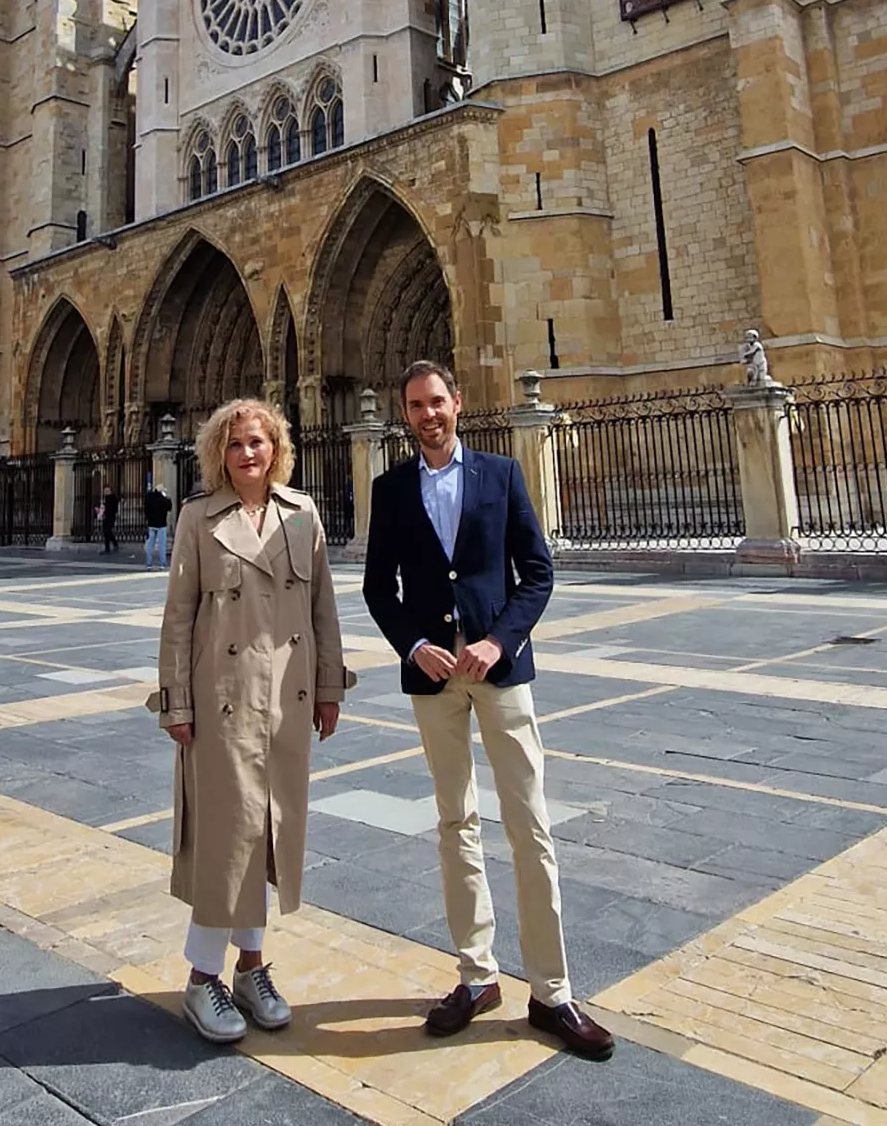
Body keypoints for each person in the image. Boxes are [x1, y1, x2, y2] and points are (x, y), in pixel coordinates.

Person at [363, 359, 613, 1061]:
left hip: (500, 673)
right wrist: (414, 645)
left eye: (436, 401)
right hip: (434, 679)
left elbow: (537, 571)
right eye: (415, 405)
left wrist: (500, 642)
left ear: (458, 404)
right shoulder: (389, 489)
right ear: (405, 415)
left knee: (530, 825)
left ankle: (552, 992)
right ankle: (477, 976)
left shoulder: (500, 475)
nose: (428, 414)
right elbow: (380, 588)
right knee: (455, 822)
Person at [152, 396, 351, 1043]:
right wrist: (176, 702)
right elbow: (178, 616)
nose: (247, 454)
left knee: (266, 836)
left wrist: (328, 689)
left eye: (257, 443)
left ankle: (252, 968)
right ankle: (204, 976)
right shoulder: (198, 519)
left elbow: (324, 608)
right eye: (235, 445)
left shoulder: (303, 516)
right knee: (227, 838)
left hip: (286, 701)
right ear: (220, 454)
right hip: (223, 700)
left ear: (275, 450)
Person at [142, 480, 172, 571]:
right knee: (162, 546)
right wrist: (167, 497)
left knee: (150, 545)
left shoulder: (149, 497)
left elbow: (146, 509)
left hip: (151, 524)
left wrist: (148, 518)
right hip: (161, 524)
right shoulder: (163, 499)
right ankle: (162, 564)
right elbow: (169, 507)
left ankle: (149, 564)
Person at [98, 488, 119, 556]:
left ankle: (108, 548)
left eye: (107, 491)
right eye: (104, 491)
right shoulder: (107, 498)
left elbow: (112, 508)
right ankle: (114, 543)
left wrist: (104, 509)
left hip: (110, 517)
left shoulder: (112, 499)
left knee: (107, 531)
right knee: (107, 531)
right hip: (107, 517)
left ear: (110, 491)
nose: (105, 492)